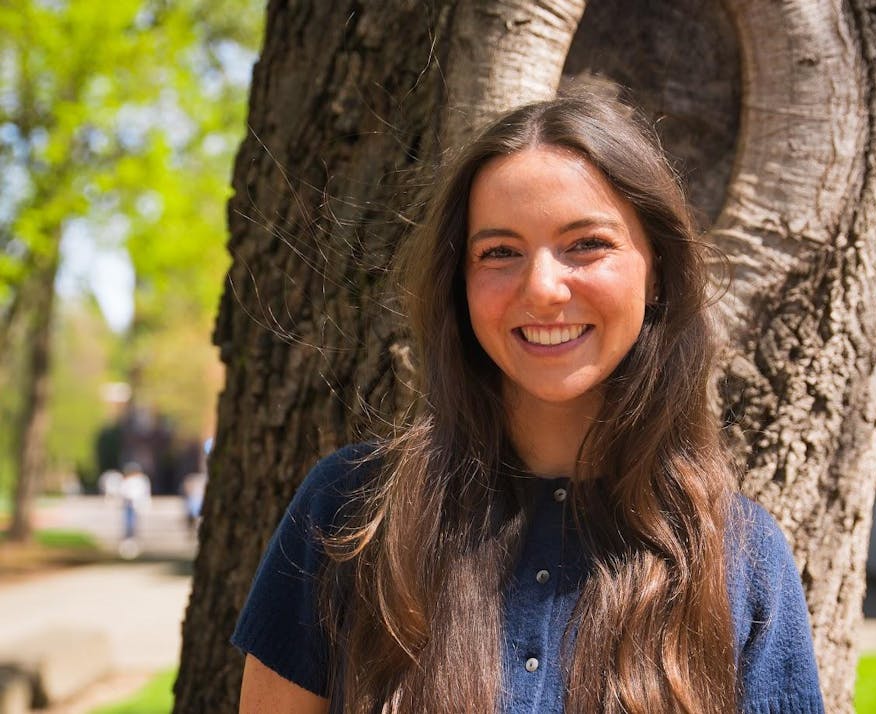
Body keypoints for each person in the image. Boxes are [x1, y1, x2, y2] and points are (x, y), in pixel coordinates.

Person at [232, 90, 825, 713]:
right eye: (500, 252)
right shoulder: (348, 511)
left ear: (657, 272)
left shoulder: (742, 557)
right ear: (460, 285)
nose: (542, 289)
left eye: (586, 244)